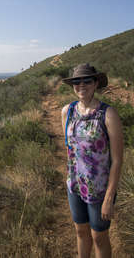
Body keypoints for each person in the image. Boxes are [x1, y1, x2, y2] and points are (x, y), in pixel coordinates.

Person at [61, 63, 123, 258]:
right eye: (76, 82)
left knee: (99, 237)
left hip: (100, 190)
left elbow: (117, 160)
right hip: (75, 186)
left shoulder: (108, 114)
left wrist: (109, 198)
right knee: (80, 232)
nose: (81, 85)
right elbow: (69, 149)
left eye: (87, 80)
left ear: (96, 83)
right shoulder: (67, 111)